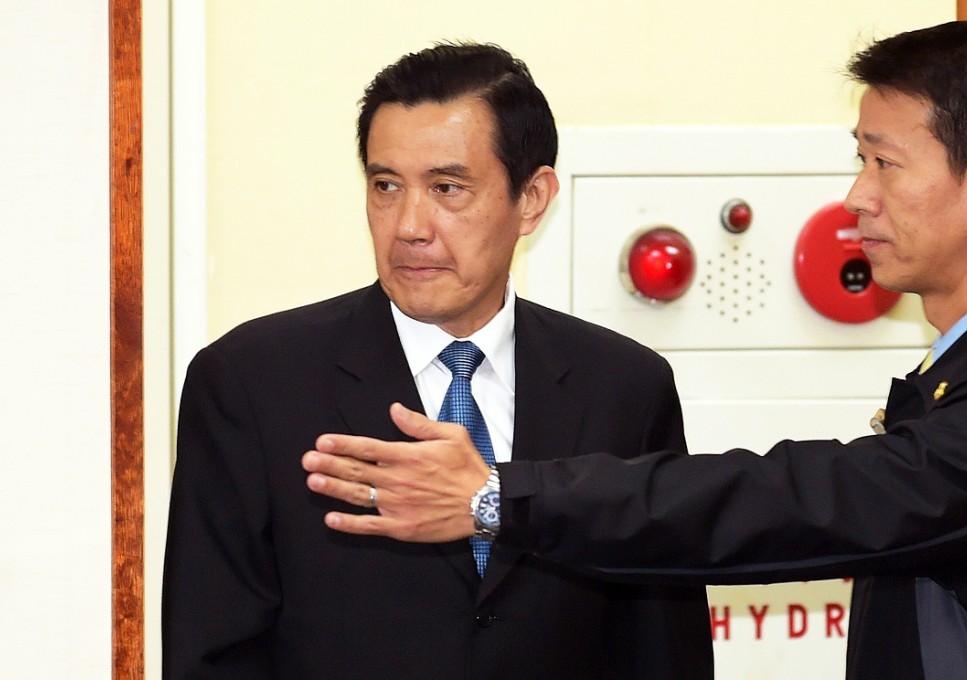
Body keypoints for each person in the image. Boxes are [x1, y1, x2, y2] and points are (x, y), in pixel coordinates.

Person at [301, 21, 967, 679]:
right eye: (860, 159)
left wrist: (498, 497)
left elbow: (807, 500)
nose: (856, 197)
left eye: (885, 164)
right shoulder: (960, 372)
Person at [163, 42, 713, 679]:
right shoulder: (251, 382)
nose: (408, 225)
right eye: (386, 186)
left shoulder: (624, 387)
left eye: (447, 188)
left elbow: (662, 653)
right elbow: (210, 653)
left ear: (532, 198)